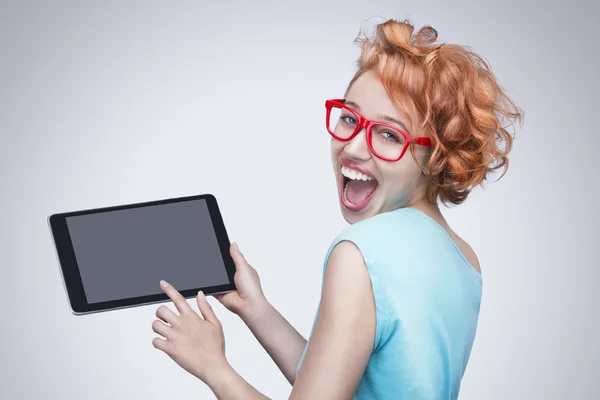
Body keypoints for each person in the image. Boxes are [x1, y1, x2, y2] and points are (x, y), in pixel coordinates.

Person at [151, 17, 523, 400]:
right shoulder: (465, 260)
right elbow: (344, 383)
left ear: (437, 157)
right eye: (349, 118)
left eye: (389, 134)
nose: (354, 147)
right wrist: (256, 309)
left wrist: (214, 367)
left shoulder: (360, 252)